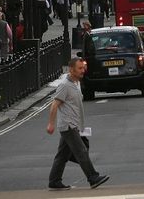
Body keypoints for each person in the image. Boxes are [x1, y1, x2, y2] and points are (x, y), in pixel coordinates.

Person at [46, 57, 109, 190]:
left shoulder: (76, 83)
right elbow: (54, 105)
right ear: (71, 69)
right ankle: (93, 177)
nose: (83, 71)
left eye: (83, 68)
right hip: (68, 126)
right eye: (79, 68)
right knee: (81, 151)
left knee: (62, 155)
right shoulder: (64, 85)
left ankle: (54, 181)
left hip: (73, 125)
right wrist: (51, 124)